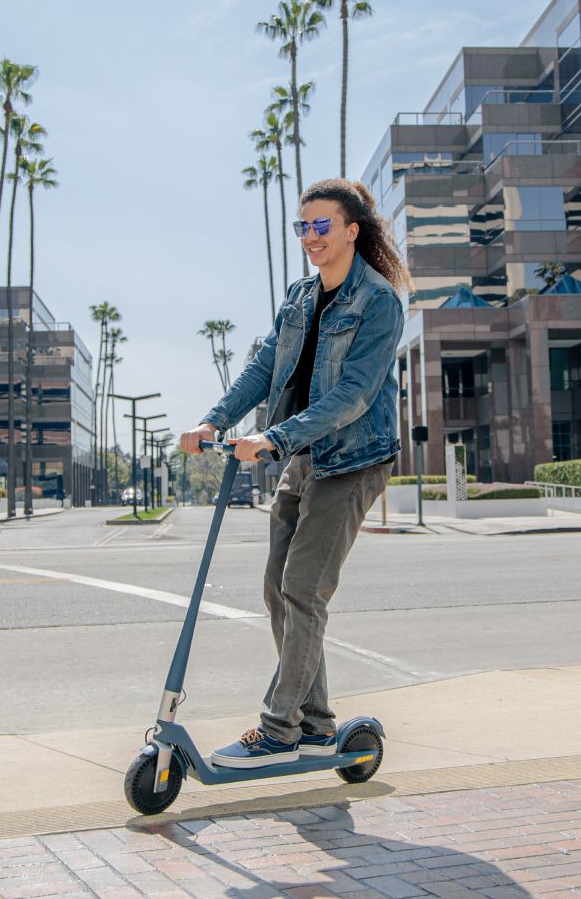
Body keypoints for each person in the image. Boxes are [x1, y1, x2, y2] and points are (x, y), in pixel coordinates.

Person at [180, 177, 409, 768]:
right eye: (302, 226)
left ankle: (278, 728)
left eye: (321, 225)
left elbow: (356, 394)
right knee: (277, 591)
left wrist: (274, 438)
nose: (310, 236)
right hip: (303, 456)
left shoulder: (378, 301)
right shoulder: (300, 296)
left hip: (354, 460)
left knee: (303, 589)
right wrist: (214, 420)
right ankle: (316, 723)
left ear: (351, 230)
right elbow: (262, 368)